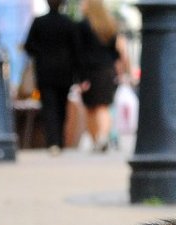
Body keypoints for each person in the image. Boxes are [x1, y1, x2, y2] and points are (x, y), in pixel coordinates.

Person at [23, 0, 79, 155]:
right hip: (64, 72)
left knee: (49, 107)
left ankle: (52, 141)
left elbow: (29, 46)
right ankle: (59, 141)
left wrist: (41, 53)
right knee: (61, 107)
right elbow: (76, 49)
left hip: (45, 72)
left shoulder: (39, 22)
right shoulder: (68, 23)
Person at [77, 0, 130, 153]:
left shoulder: (83, 26)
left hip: (90, 71)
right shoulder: (109, 25)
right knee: (103, 106)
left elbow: (79, 52)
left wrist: (80, 76)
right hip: (107, 69)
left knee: (92, 107)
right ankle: (102, 137)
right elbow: (116, 52)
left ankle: (97, 139)